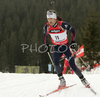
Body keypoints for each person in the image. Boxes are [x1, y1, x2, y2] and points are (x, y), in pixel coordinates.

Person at [43, 10, 90, 88]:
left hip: (65, 47)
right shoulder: (47, 27)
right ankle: (62, 80)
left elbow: (73, 30)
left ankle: (83, 79)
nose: (49, 20)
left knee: (72, 65)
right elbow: (45, 36)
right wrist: (46, 45)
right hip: (57, 47)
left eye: (51, 18)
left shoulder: (63, 25)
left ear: (55, 18)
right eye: (48, 19)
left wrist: (73, 42)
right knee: (56, 62)